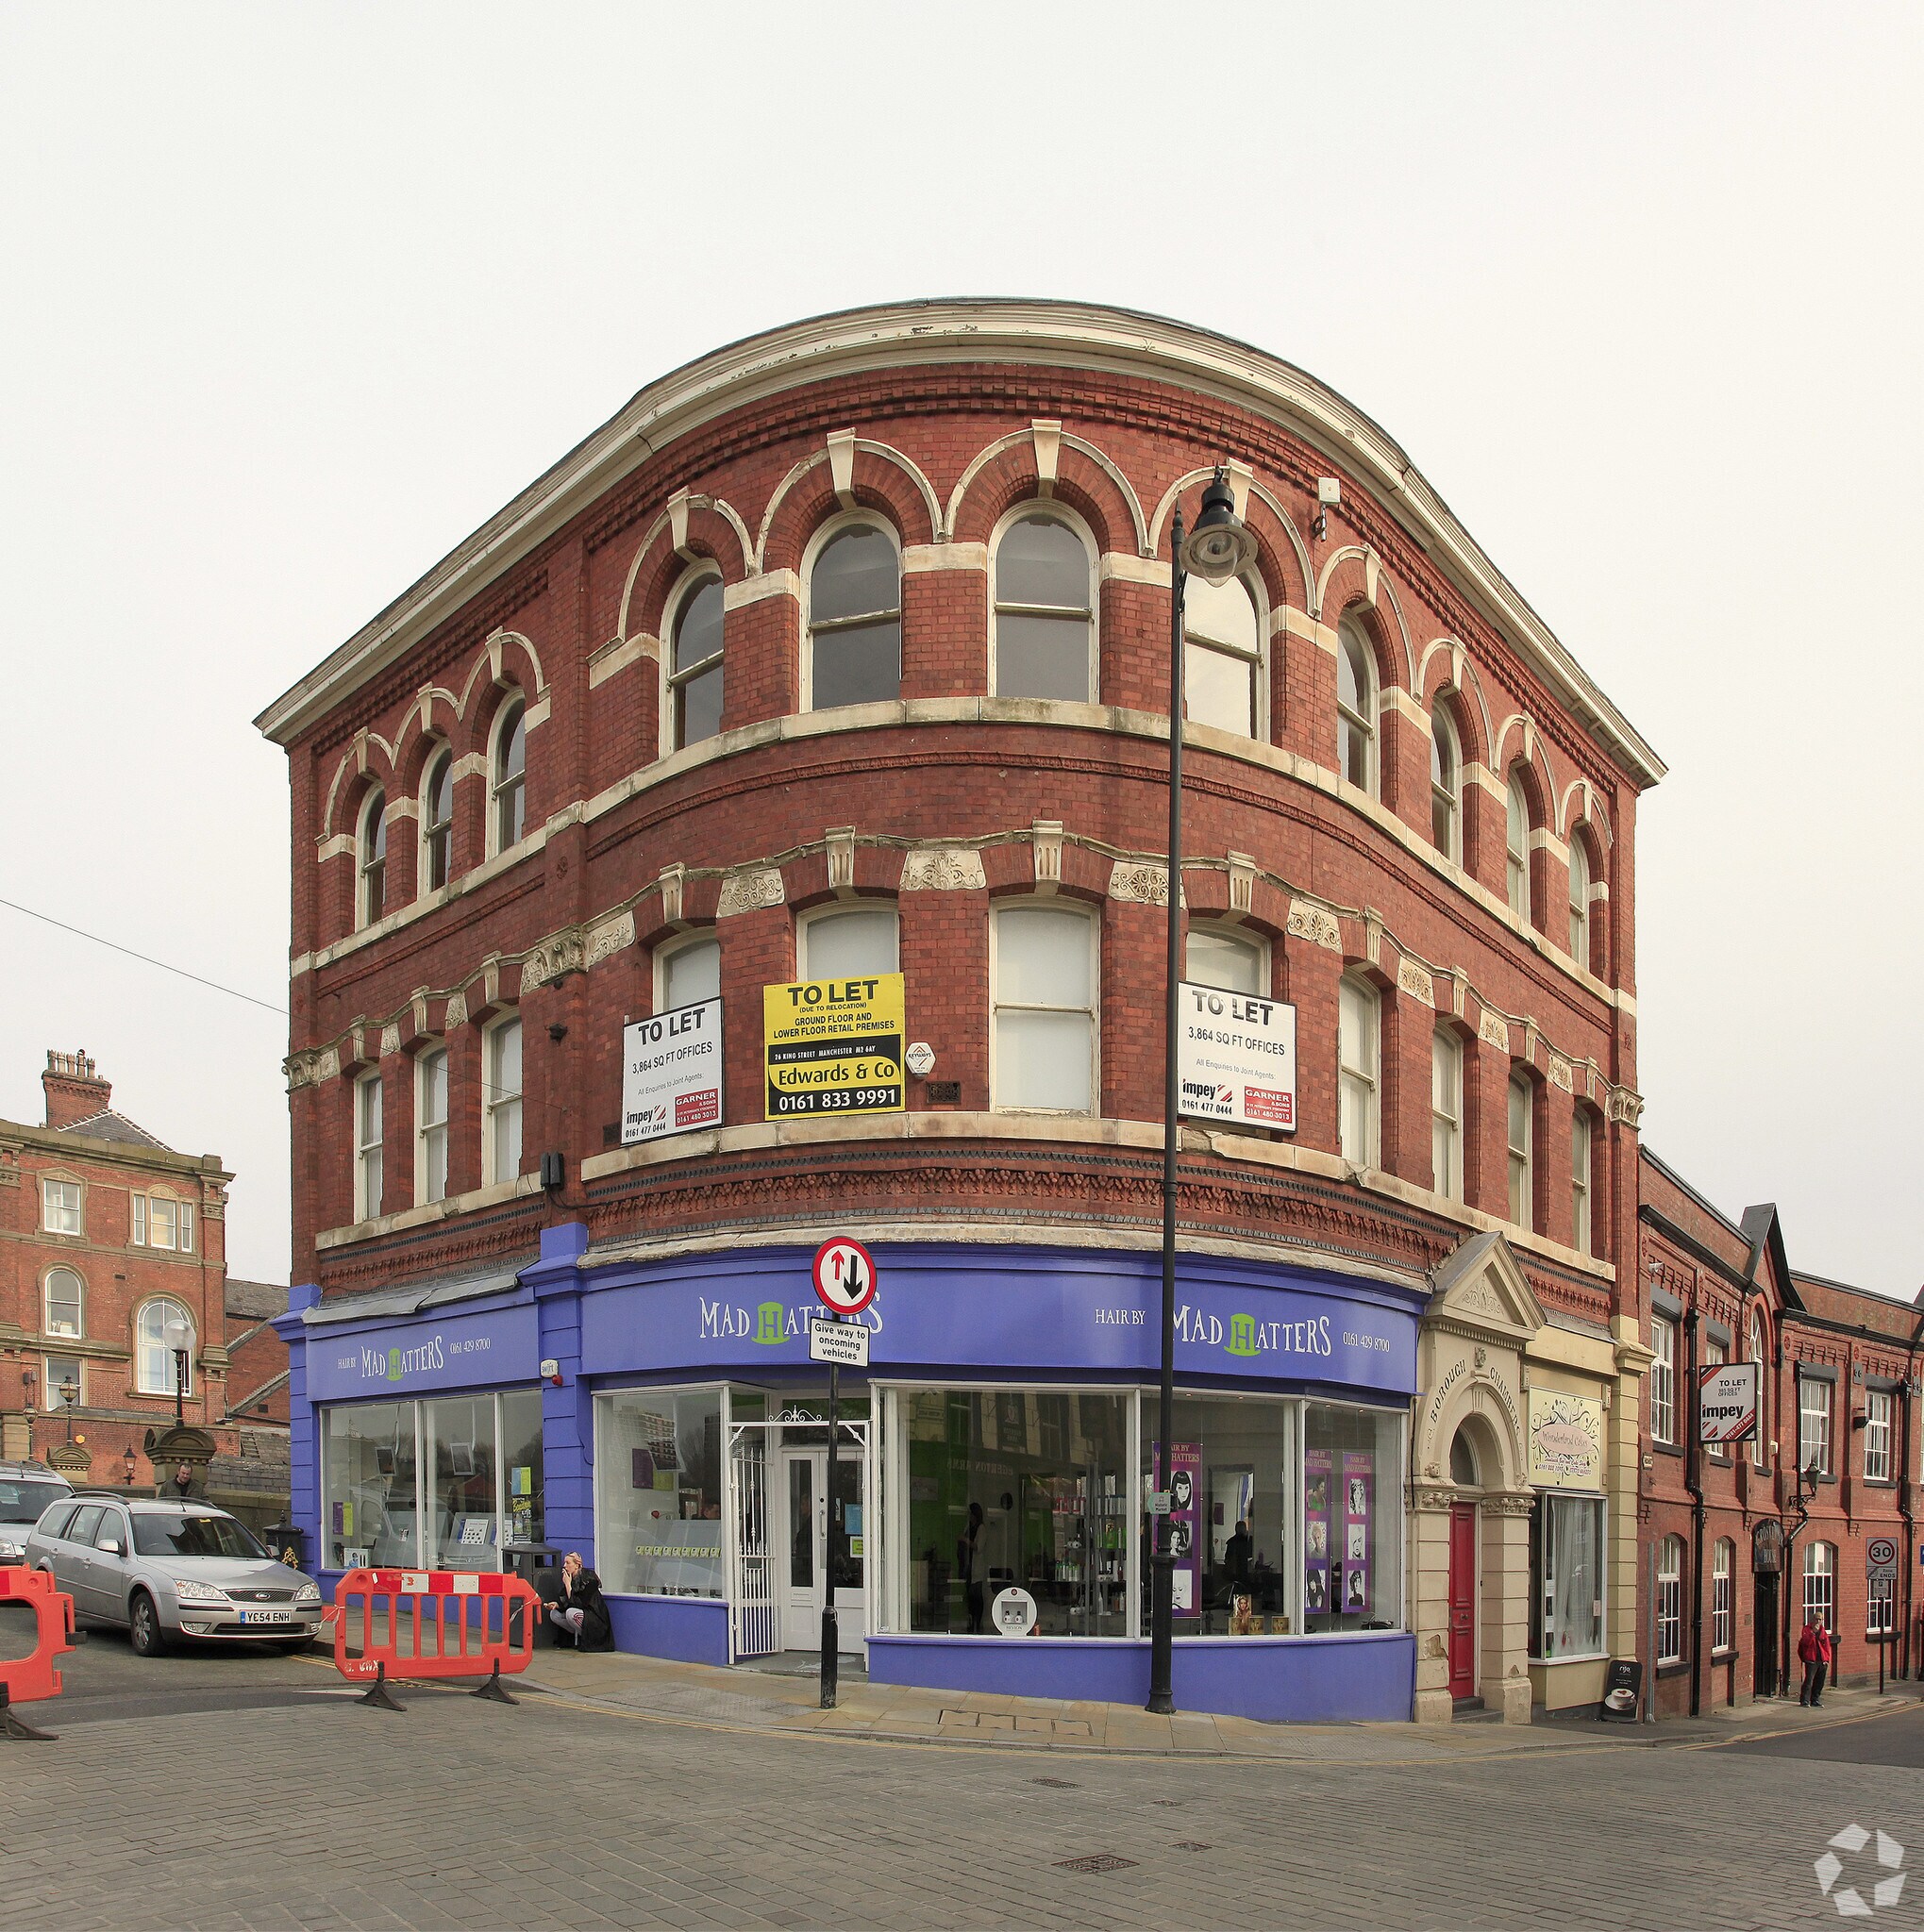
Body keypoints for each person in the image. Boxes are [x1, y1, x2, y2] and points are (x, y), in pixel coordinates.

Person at [546, 1551, 613, 1652]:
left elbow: (579, 1604)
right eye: (564, 1563)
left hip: (593, 1617)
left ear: (577, 1566)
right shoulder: (569, 1578)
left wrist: (568, 1585)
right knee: (554, 1614)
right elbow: (566, 1601)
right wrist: (557, 1605)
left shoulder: (589, 1579)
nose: (564, 1566)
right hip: (580, 1614)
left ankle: (588, 1638)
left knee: (570, 1613)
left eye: (568, 1563)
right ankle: (575, 1637)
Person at [958, 1502, 986, 1635]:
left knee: (977, 1595)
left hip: (976, 1567)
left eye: (971, 1514)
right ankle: (970, 1621)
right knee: (969, 1595)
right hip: (968, 1566)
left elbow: (978, 1547)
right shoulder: (968, 1527)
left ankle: (977, 1623)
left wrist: (965, 1540)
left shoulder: (981, 1528)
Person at [1798, 1610, 1832, 1707]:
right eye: (1816, 1619)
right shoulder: (1806, 1629)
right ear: (1813, 1619)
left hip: (1822, 1659)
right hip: (1811, 1659)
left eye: (1820, 1619)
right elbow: (1806, 1643)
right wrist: (1813, 1633)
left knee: (1819, 1681)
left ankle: (1815, 1699)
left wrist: (1826, 1659)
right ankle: (1804, 1700)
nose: (1818, 1621)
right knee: (1809, 1681)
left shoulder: (1823, 1631)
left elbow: (1826, 1646)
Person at [1224, 1519, 1254, 1591]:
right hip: (1245, 1570)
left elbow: (1227, 1557)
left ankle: (1236, 1598)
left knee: (1236, 1589)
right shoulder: (1248, 1541)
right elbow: (1250, 1554)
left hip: (1234, 1571)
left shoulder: (1231, 1541)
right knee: (1245, 1589)